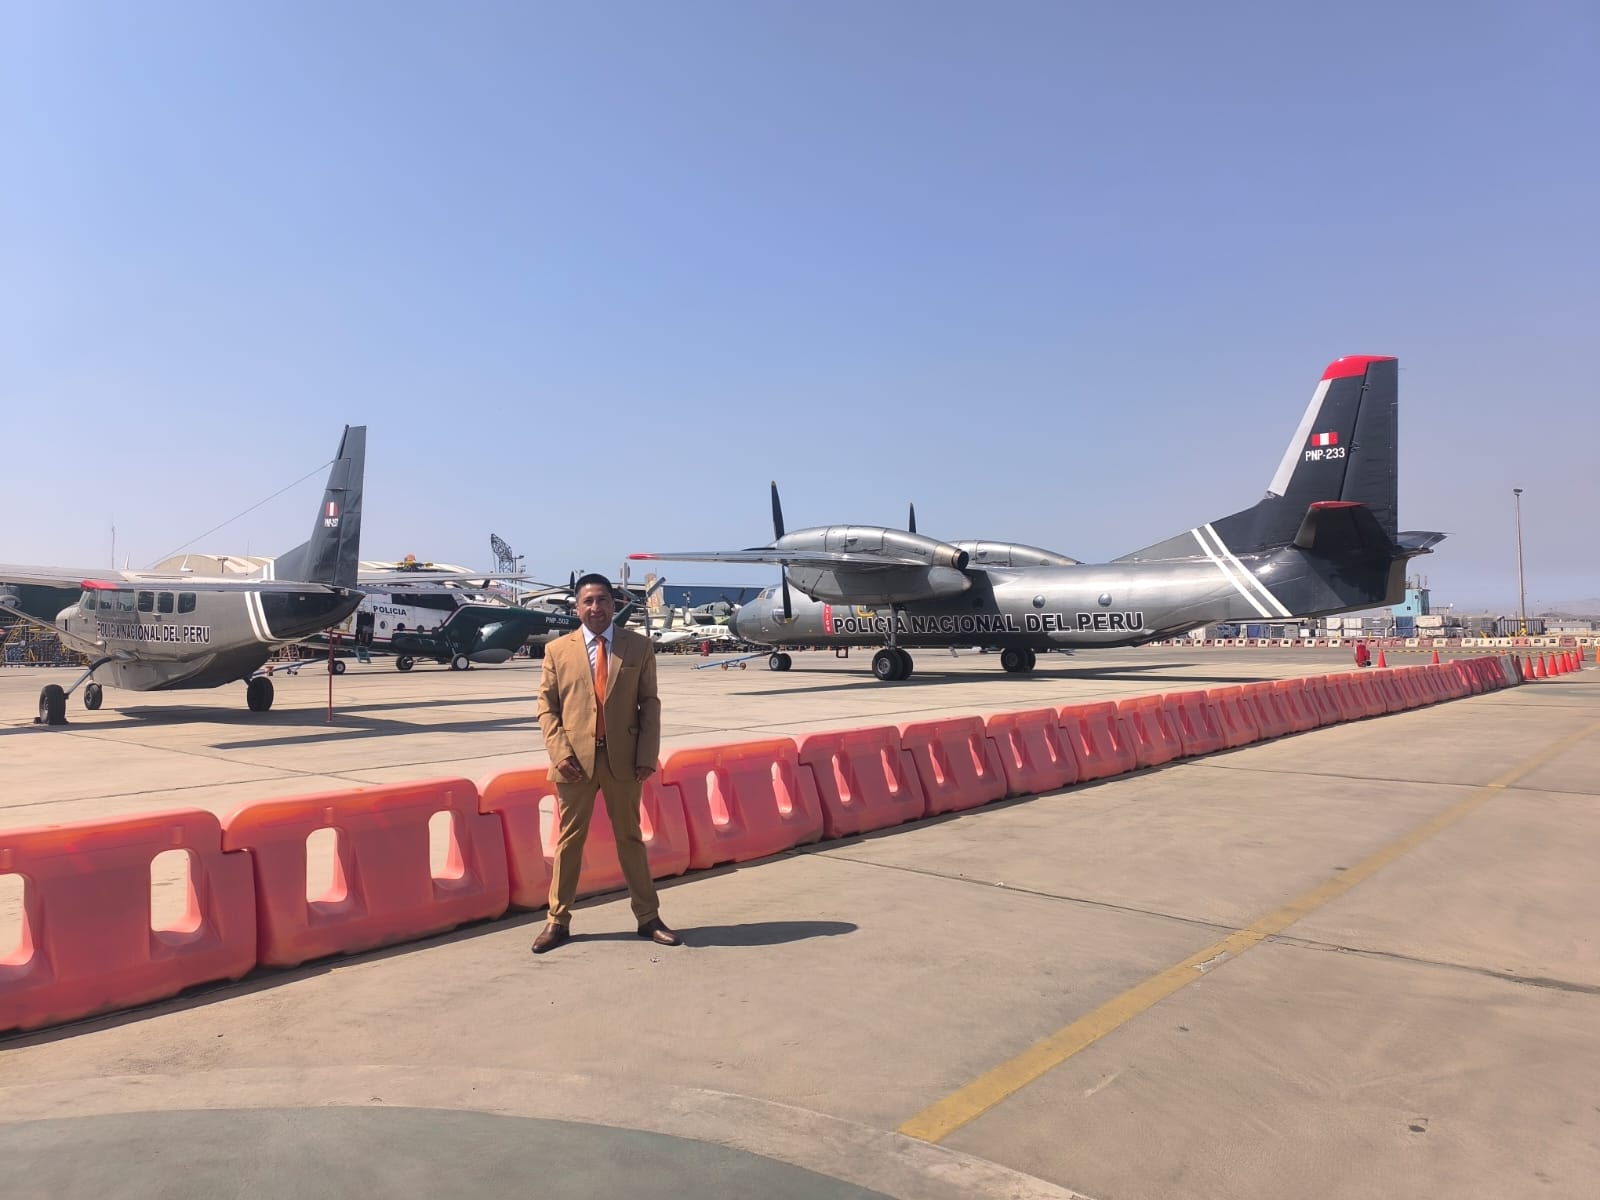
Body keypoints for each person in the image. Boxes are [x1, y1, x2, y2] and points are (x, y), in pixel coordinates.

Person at [531, 573, 680, 953]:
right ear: (577, 607)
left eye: (602, 600)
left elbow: (649, 704)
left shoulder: (638, 647)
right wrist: (560, 753)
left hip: (624, 761)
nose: (595, 608)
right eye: (588, 601)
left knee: (630, 838)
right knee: (569, 841)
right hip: (573, 762)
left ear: (614, 605)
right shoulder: (557, 651)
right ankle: (557, 920)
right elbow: (547, 708)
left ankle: (648, 918)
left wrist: (646, 756)